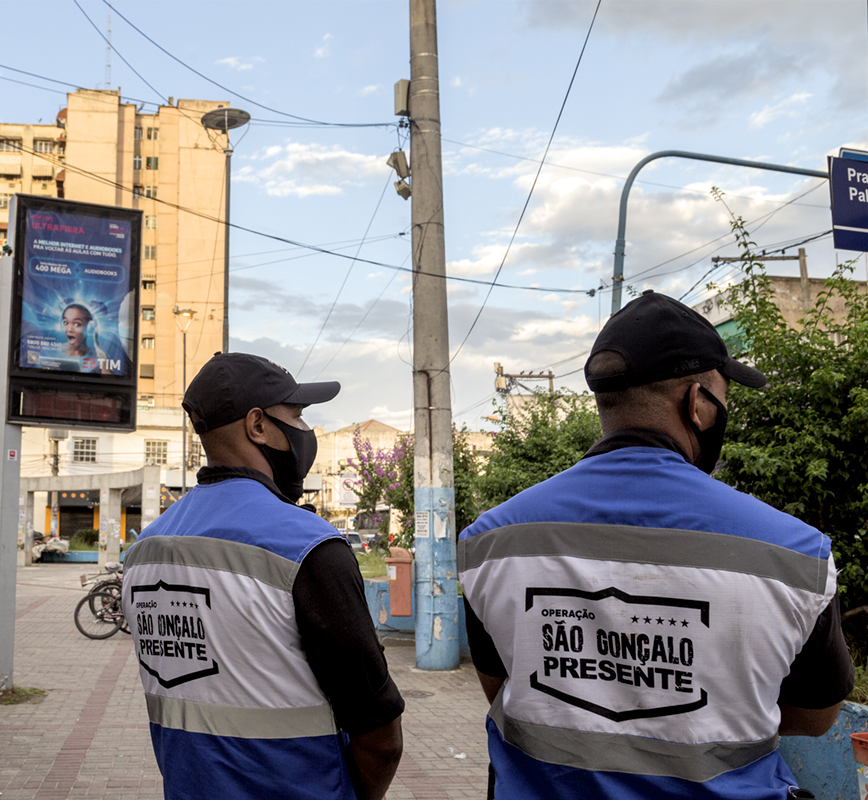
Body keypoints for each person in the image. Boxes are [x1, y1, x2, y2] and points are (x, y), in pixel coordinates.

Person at [458, 290, 854, 799]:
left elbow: (502, 686)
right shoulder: (796, 552)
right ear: (697, 404)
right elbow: (816, 716)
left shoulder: (490, 541)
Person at [122, 352, 404, 800]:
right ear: (257, 426)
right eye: (296, 415)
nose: (305, 431)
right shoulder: (308, 545)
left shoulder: (144, 550)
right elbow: (380, 737)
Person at [61, 303, 111, 375]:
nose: (69, 329)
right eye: (66, 322)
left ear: (89, 327)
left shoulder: (99, 357)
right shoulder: (48, 352)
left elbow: (108, 383)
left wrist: (103, 362)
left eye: (77, 324)